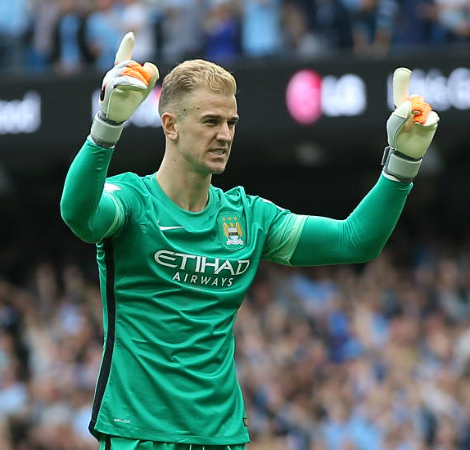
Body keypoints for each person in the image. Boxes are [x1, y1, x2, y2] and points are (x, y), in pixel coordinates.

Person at [59, 32, 439, 449]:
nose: (224, 134)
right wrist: (107, 125)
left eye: (231, 123)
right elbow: (79, 214)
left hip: (224, 436)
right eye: (210, 121)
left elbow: (355, 241)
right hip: (139, 434)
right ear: (170, 125)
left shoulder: (249, 217)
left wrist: (403, 163)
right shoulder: (131, 200)